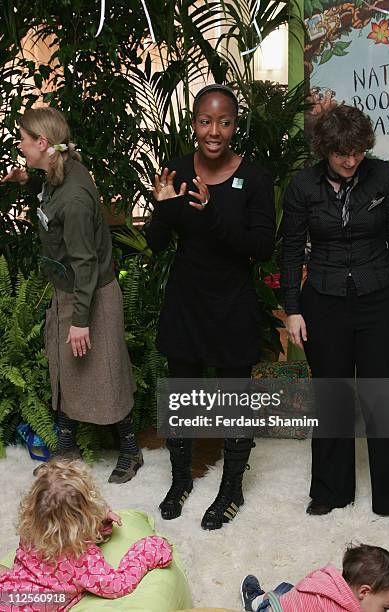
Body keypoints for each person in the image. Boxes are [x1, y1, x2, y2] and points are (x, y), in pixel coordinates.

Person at [145, 84, 276, 530]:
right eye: (205, 121)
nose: (214, 131)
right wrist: (162, 210)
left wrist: (212, 214)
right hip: (187, 299)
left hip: (233, 303)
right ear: (195, 123)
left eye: (224, 122)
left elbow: (261, 247)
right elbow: (156, 243)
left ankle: (231, 488)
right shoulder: (178, 170)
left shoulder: (255, 178)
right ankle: (180, 480)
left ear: (235, 125)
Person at [2, 107, 142, 483]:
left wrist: (81, 320)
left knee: (106, 372)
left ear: (43, 143)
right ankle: (66, 446)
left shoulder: (76, 197)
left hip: (90, 294)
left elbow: (85, 263)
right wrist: (25, 182)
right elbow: (50, 200)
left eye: (24, 140)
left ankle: (130, 450)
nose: (20, 145)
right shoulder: (56, 171)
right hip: (70, 291)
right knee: (64, 369)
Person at [281, 104, 389, 516]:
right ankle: (331, 492)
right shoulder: (302, 186)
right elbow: (289, 251)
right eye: (341, 154)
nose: (351, 160)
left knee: (384, 395)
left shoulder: (386, 177)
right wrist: (292, 309)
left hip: (381, 298)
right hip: (324, 298)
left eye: (357, 151)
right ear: (325, 151)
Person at [0, 460, 172, 611]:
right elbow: (116, 586)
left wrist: (100, 520)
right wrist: (150, 549)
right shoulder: (82, 559)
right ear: (84, 518)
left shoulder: (30, 531)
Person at [241, 543, 389, 611]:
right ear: (364, 592)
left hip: (290, 600)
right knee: (279, 599)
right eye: (385, 608)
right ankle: (254, 600)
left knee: (287, 589)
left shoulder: (333, 582)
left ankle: (268, 598)